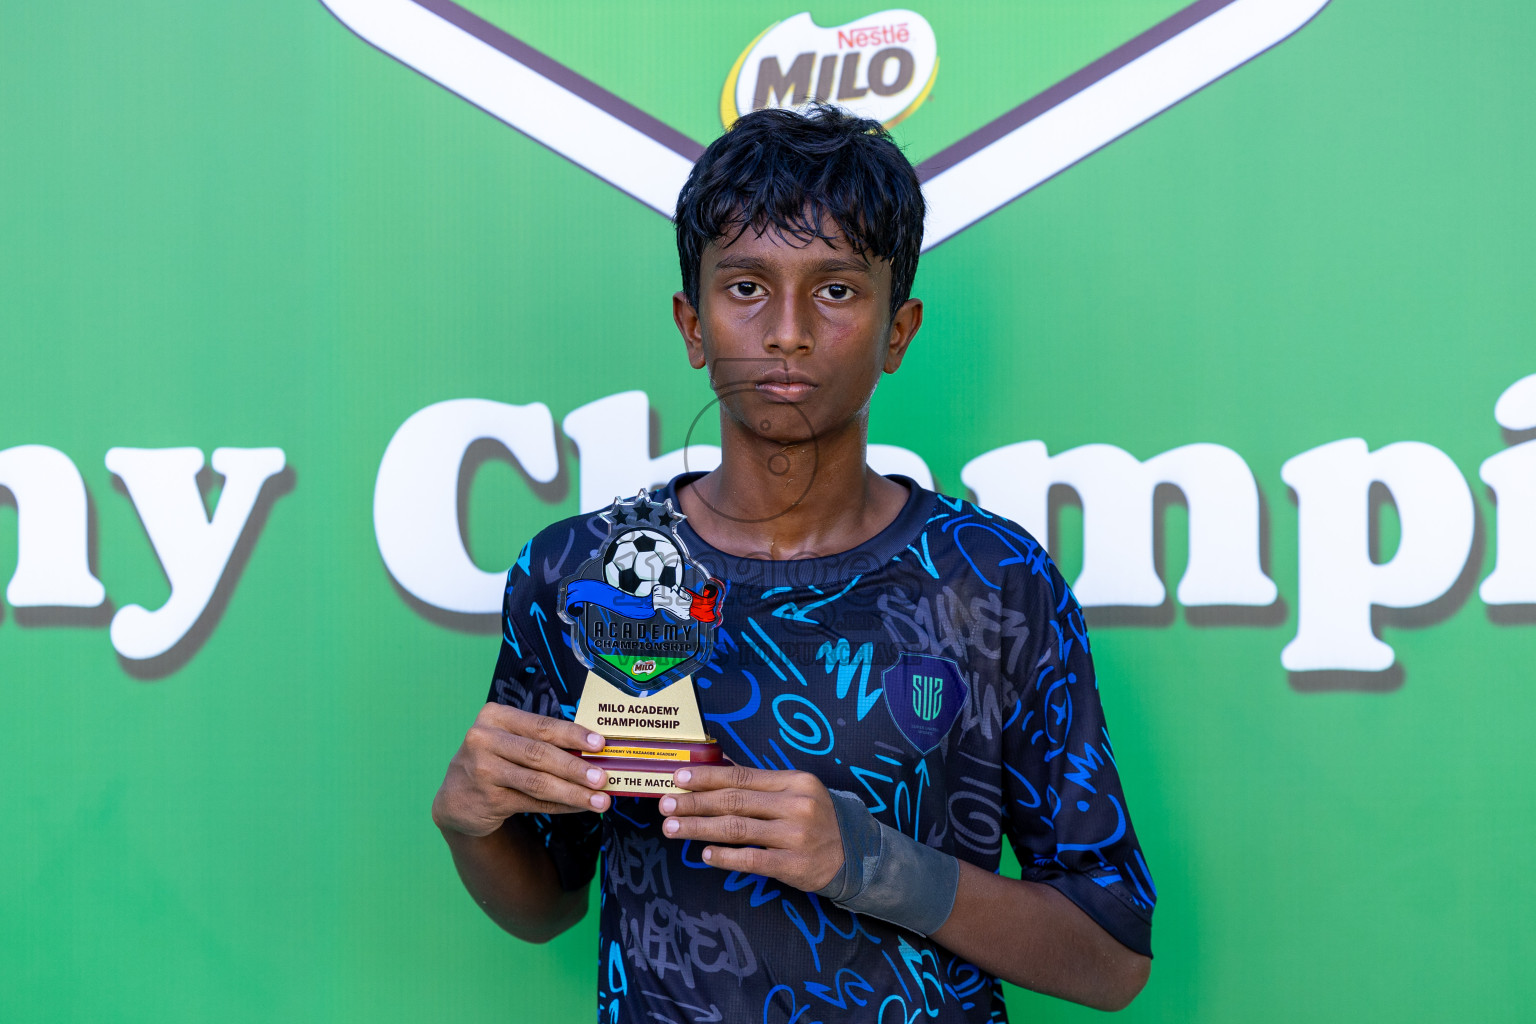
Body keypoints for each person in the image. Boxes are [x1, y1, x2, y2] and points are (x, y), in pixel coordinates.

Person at [431, 103, 1155, 1021]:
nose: (787, 331)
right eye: (745, 287)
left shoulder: (995, 582)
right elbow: (547, 903)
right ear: (693, 326)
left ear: (899, 330)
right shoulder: (585, 573)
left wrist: (870, 862)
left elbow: (1113, 955)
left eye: (838, 290)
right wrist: (470, 824)